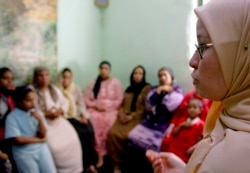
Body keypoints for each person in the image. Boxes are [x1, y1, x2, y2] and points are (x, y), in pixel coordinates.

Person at [146, 0, 250, 172]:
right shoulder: (229, 116)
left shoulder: (238, 155)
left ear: (240, 55)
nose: (193, 61)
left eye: (203, 46)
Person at [32, 66, 83, 173]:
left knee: (74, 138)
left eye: (46, 75)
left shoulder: (54, 89)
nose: (44, 78)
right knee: (55, 147)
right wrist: (46, 114)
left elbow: (65, 102)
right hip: (45, 124)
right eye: (41, 75)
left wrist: (61, 111)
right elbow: (31, 111)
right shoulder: (32, 92)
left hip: (59, 121)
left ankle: (75, 170)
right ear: (36, 78)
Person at [128, 67, 183, 152]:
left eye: (165, 75)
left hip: (163, 125)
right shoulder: (155, 88)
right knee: (132, 137)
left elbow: (166, 109)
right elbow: (148, 103)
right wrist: (159, 90)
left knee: (154, 146)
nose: (162, 78)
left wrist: (154, 109)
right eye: (160, 76)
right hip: (149, 122)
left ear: (171, 76)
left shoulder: (177, 90)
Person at [107, 65, 151, 173]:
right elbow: (121, 104)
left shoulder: (146, 88)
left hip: (137, 118)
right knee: (112, 133)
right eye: (135, 73)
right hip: (123, 117)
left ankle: (126, 165)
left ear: (143, 76)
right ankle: (116, 164)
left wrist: (131, 116)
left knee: (128, 136)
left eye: (140, 73)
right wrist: (121, 114)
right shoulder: (128, 88)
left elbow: (145, 108)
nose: (137, 76)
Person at [5, 86, 56, 173]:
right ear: (19, 102)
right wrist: (39, 140)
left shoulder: (37, 113)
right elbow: (18, 139)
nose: (33, 103)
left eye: (34, 99)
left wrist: (40, 119)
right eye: (28, 100)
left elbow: (43, 134)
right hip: (24, 153)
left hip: (41, 149)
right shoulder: (12, 117)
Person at [84, 61, 123, 168]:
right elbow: (86, 99)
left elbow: (119, 99)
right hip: (95, 110)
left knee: (109, 123)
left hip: (110, 110)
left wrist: (107, 107)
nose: (103, 71)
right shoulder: (93, 82)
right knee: (94, 121)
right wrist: (95, 105)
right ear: (99, 70)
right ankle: (99, 155)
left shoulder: (115, 82)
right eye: (101, 68)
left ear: (109, 70)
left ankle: (110, 155)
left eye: (106, 69)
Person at [58, 67, 97, 173]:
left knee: (89, 130)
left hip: (75, 115)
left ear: (71, 79)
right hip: (64, 117)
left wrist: (83, 115)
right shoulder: (56, 90)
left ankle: (91, 162)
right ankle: (85, 164)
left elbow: (80, 104)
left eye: (68, 77)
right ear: (60, 78)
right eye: (63, 77)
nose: (66, 80)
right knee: (80, 133)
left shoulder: (76, 88)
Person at [161, 98, 204, 163]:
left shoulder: (201, 125)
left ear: (200, 110)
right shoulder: (182, 120)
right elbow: (174, 133)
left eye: (194, 107)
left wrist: (192, 149)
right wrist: (181, 125)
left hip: (184, 155)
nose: (191, 109)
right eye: (189, 107)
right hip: (173, 150)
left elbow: (200, 141)